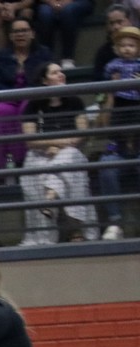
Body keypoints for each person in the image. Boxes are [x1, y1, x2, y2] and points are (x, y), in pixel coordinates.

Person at [17, 61, 97, 245]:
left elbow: (81, 134)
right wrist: (53, 145)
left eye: (61, 71)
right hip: (40, 154)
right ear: (44, 80)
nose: (61, 74)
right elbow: (30, 141)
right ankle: (73, 231)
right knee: (48, 168)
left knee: (68, 157)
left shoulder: (75, 101)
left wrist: (58, 147)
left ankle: (50, 199)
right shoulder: (33, 106)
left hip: (70, 152)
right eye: (55, 73)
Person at [0, 18, 51, 170]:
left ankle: (25, 163)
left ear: (32, 33)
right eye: (16, 31)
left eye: (24, 31)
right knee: (1, 110)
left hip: (33, 97)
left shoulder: (43, 54)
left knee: (26, 108)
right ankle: (4, 166)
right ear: (10, 36)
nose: (20, 34)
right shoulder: (1, 56)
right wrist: (10, 95)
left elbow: (46, 80)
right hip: (6, 97)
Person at [98, 25, 140, 241]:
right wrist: (112, 92)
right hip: (119, 146)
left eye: (131, 45)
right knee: (107, 166)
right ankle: (115, 222)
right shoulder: (113, 70)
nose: (127, 49)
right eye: (123, 45)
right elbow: (104, 125)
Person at [34, 0, 94, 66]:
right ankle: (47, 59)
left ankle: (67, 58)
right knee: (45, 14)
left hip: (78, 1)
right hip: (47, 3)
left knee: (68, 11)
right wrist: (52, 2)